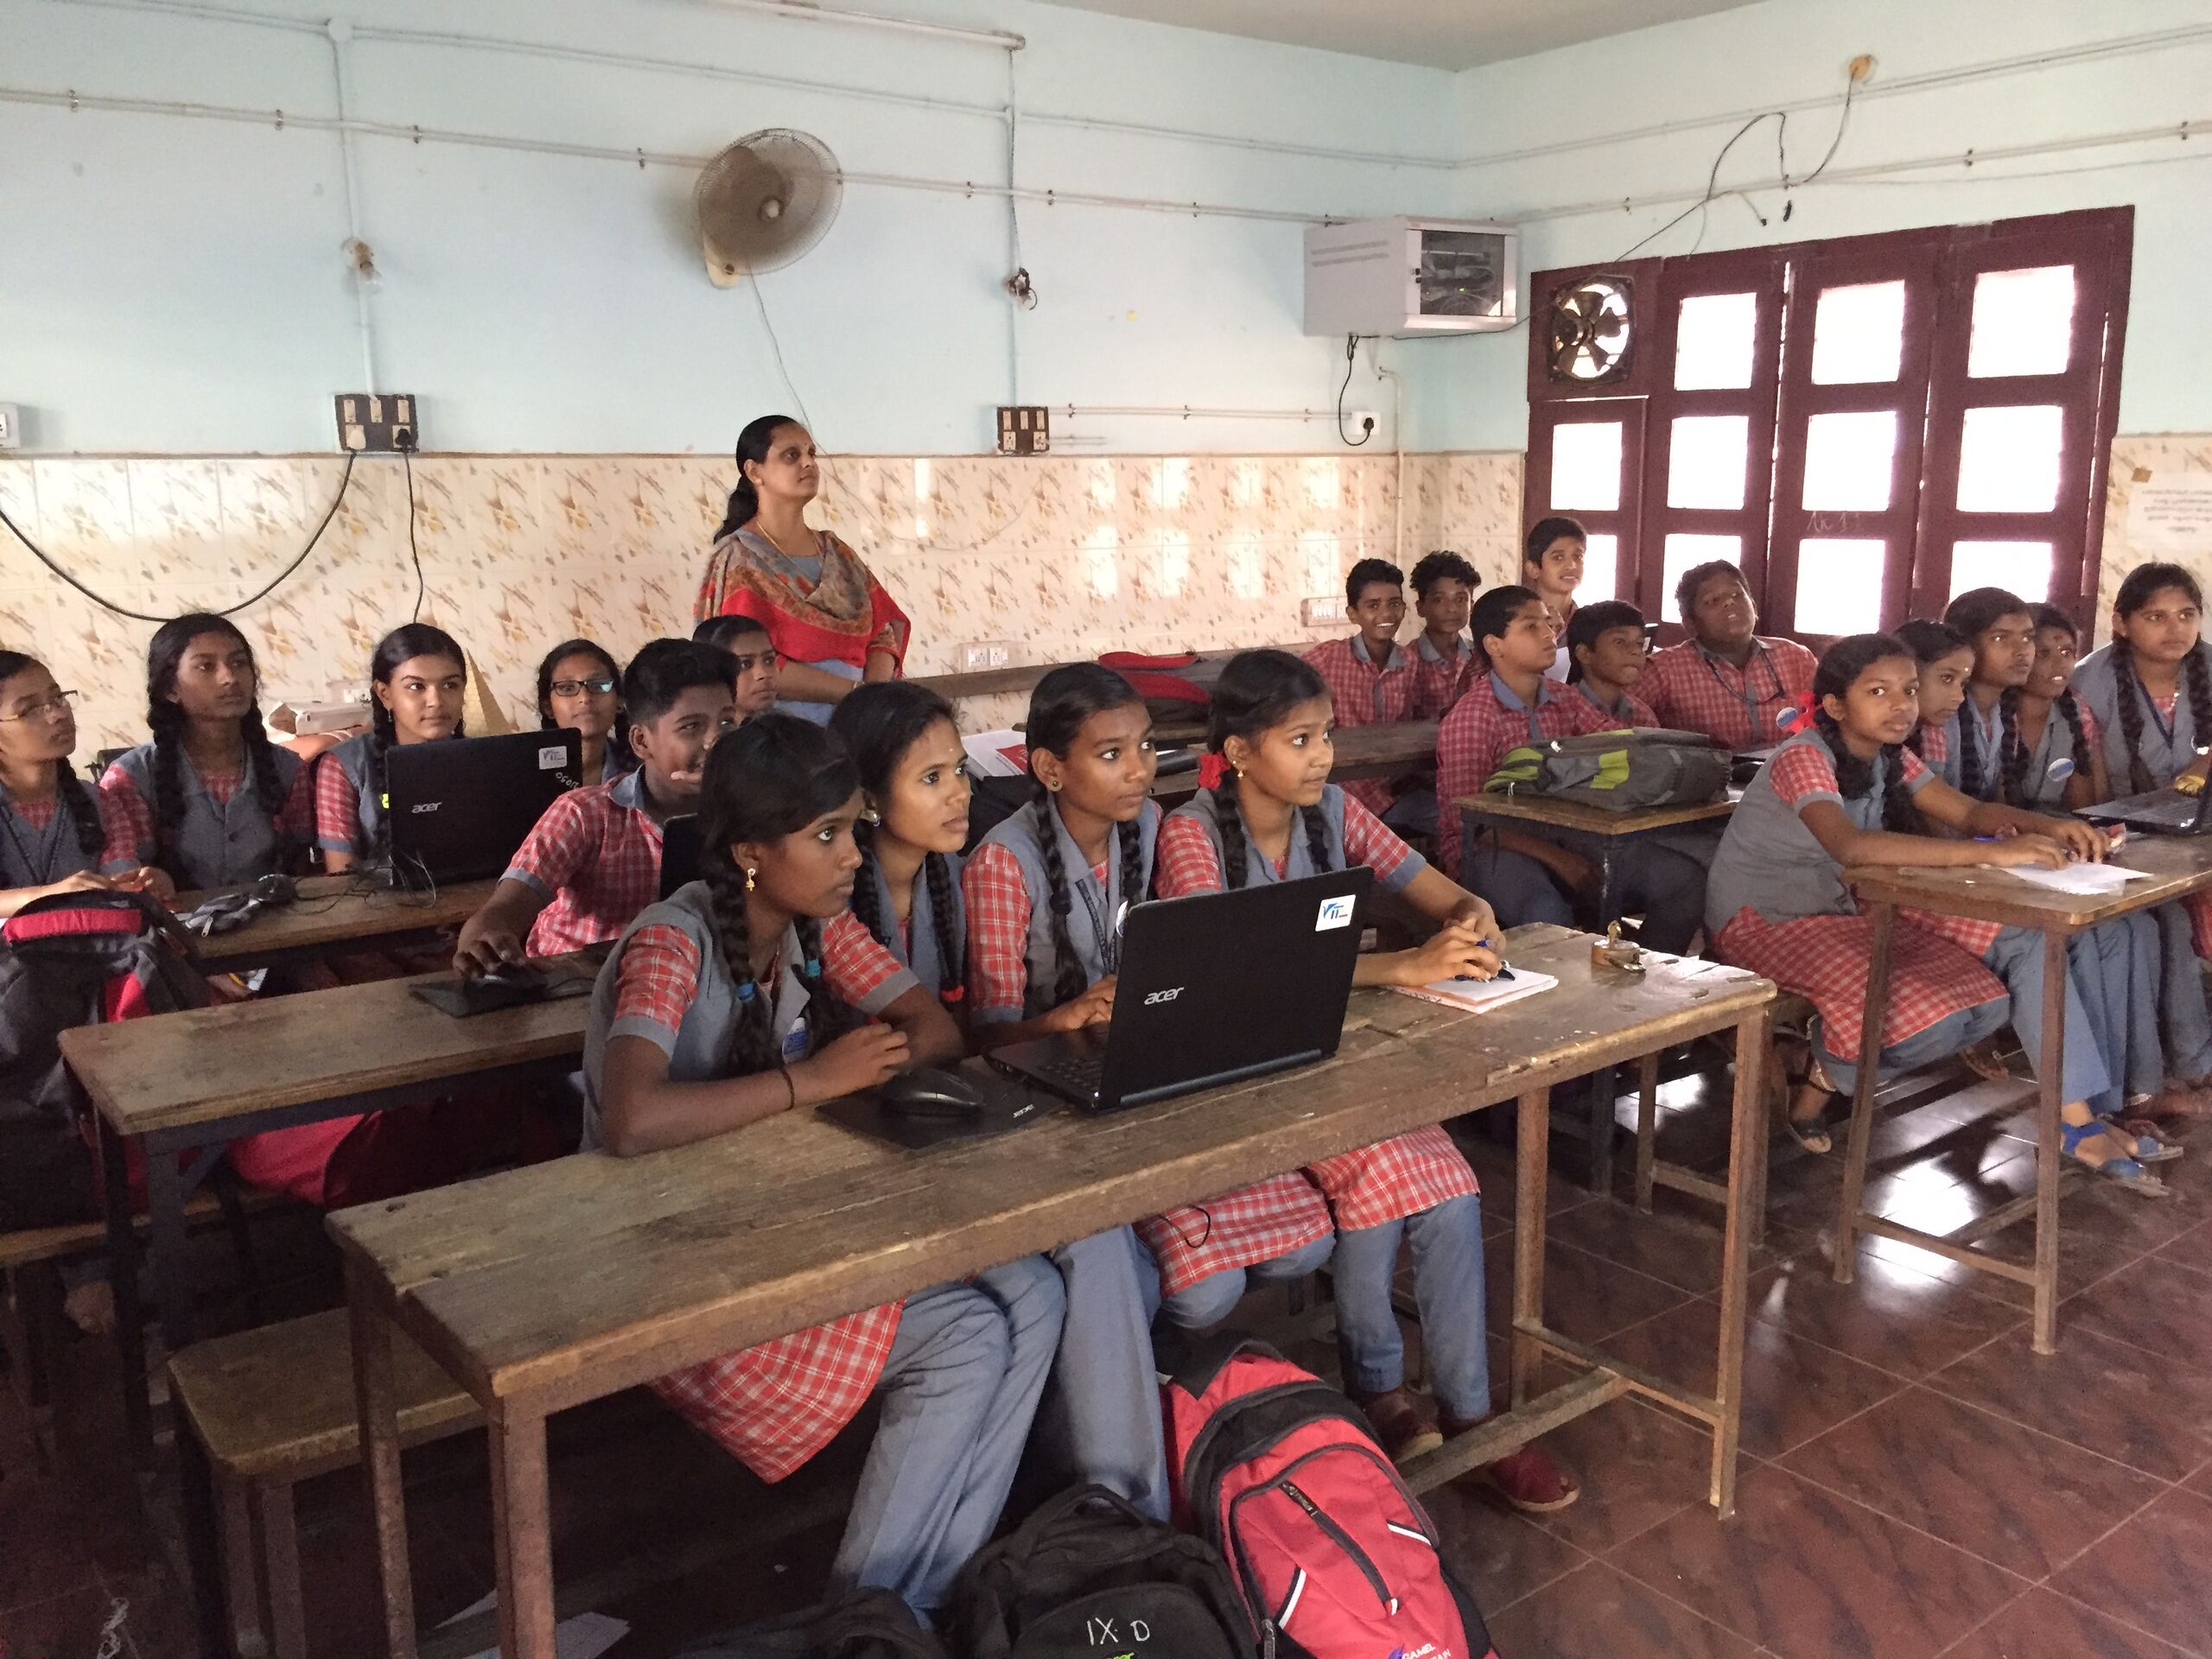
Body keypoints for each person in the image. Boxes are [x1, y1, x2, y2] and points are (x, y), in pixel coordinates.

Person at [587, 715, 1056, 1619]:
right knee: (967, 1337)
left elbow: (934, 1030)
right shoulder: (671, 942)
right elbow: (632, 1120)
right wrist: (815, 1081)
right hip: (667, 1261)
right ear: (752, 853)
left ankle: (928, 1597)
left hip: (775, 1226)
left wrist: (864, 1064)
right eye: (827, 834)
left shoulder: (817, 928)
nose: (851, 856)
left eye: (852, 829)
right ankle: (866, 1616)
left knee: (1032, 1293)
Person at [1153, 651, 1575, 1510]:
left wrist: (1471, 919)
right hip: (1242, 1077)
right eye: (1300, 740)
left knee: (1448, 1192)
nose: (1324, 757)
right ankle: (1379, 1384)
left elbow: (1440, 893)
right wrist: (1403, 969)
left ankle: (1461, 1408)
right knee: (1388, 1178)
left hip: (1334, 1063)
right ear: (1238, 753)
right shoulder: (1190, 836)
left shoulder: (1335, 811)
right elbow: (1234, 973)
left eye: (1327, 736)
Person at [830, 679, 1171, 1520]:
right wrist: (1044, 1023)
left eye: (959, 771)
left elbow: (949, 1040)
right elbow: (952, 1037)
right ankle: (1126, 1506)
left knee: (1111, 1253)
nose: (961, 793)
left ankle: (1101, 1492)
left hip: (956, 1130)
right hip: (876, 1166)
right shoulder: (835, 899)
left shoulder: (945, 878)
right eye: (932, 778)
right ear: (866, 798)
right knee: (1093, 1248)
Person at [960, 664, 1338, 1340]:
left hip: (1137, 1067)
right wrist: (1064, 1019)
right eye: (1111, 755)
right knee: (1206, 1289)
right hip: (1048, 1097)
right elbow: (987, 1038)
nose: (1139, 769)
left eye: (1145, 746)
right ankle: (1152, 1351)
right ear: (1049, 769)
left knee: (1304, 1243)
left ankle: (1164, 1333)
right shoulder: (1002, 863)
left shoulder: (1149, 823)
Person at [1704, 632, 2161, 1191]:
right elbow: (1851, 847)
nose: (1901, 705)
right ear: (1836, 706)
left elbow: (1967, 812)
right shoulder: (1804, 757)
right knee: (1934, 1018)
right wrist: (1993, 854)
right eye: (1878, 692)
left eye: (1909, 690)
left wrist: (2052, 827)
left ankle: (2077, 1122)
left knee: (2018, 956)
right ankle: (1823, 1068)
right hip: (1767, 921)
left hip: (1850, 905)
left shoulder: (1891, 756)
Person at [1940, 589, 2173, 1126]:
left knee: (2128, 928)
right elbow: (1958, 816)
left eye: (2030, 640)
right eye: (2006, 639)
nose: (2026, 653)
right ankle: (2082, 1114)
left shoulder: (2002, 716)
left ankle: (2121, 1096)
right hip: (1961, 874)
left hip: (2000, 860)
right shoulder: (1950, 716)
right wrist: (2029, 837)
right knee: (2068, 936)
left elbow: (2013, 810)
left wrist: (2062, 835)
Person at [1437, 587, 1706, 952]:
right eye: (1531, 627)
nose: (1549, 635)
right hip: (1491, 851)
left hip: (1569, 837)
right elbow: (1470, 825)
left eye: (1549, 624)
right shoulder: (1472, 717)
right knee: (1546, 912)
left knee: (1684, 881)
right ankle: (1559, 987)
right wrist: (1562, 860)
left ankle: (1637, 978)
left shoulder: (1565, 699)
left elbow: (1619, 742)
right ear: (1494, 645)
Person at [454, 640, 739, 969]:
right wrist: (486, 942)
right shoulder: (583, 813)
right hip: (580, 984)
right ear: (641, 742)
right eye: (691, 727)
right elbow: (510, 904)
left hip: (690, 980)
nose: (714, 741)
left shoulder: (746, 810)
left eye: (727, 722)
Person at [2074, 563, 2212, 1106]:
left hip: (2197, 832)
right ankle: (2189, 1063)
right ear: (2122, 622)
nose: (2175, 629)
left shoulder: (2207, 667)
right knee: (2168, 919)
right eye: (2156, 617)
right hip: (2124, 838)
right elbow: (2086, 787)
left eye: (2186, 615)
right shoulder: (2090, 681)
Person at [694, 416, 910, 723]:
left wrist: (869, 702)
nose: (808, 463)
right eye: (791, 455)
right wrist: (854, 693)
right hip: (781, 736)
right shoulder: (740, 560)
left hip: (859, 727)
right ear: (754, 472)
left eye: (811, 453)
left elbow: (883, 631)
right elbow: (740, 663)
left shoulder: (838, 554)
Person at [98, 614, 315, 892]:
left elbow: (303, 870)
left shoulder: (287, 768)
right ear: (170, 689)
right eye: (206, 667)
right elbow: (127, 883)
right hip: (173, 919)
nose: (230, 678)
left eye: (239, 663)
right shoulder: (130, 778)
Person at [0, 652, 164, 915]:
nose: (57, 714)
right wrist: (48, 895)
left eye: (58, 698)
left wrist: (143, 886)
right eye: (29, 710)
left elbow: (120, 888)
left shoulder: (102, 802)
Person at [317, 624, 470, 874]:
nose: (436, 701)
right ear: (385, 694)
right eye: (416, 687)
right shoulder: (343, 767)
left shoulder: (483, 760)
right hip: (375, 899)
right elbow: (341, 878)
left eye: (450, 685)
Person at [1641, 563, 1817, 751]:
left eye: (1737, 594)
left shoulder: (1796, 657)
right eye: (1713, 600)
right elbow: (1624, 719)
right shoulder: (1664, 670)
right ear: (1690, 624)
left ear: (1754, 608)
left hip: (1791, 765)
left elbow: (1829, 719)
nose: (1729, 603)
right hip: (1709, 768)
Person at [1301, 558, 1421, 823]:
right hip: (1340, 789)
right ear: (1353, 614)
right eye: (1373, 605)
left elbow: (1407, 725)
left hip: (1392, 785)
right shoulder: (1326, 659)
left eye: (1394, 603)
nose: (1386, 614)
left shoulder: (1409, 662)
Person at [537, 639, 631, 786]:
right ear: (548, 707)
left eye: (598, 685)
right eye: (567, 688)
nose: (585, 698)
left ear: (619, 701)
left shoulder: (641, 770)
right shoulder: (525, 772)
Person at [1408, 550, 1481, 719]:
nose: (1452, 608)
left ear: (1471, 605)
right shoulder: (1409, 662)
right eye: (1439, 600)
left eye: (1460, 599)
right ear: (1420, 607)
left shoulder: (1480, 656)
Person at [1897, 619, 1973, 772]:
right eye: (1947, 678)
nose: (1960, 697)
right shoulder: (1879, 742)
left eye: (1963, 684)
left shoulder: (1933, 734)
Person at [1563, 601, 1656, 726]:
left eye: (1640, 643)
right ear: (1585, 654)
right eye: (1620, 642)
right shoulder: (1561, 712)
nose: (1636, 651)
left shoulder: (1642, 715)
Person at [1522, 516, 1586, 680]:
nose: (1572, 566)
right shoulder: (1516, 622)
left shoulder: (1590, 624)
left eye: (1578, 557)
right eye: (1558, 557)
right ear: (1533, 568)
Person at [695, 612, 784, 719]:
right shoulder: (697, 728)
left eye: (769, 660)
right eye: (745, 664)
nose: (763, 674)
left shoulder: (787, 726)